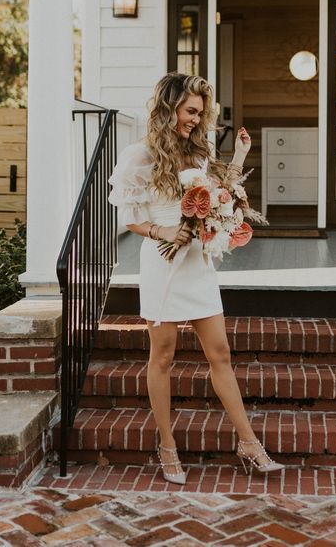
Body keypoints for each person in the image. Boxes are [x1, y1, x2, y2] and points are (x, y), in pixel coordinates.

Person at [108, 72, 283, 484]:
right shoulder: (140, 155)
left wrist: (240, 156)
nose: (194, 119)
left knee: (219, 353)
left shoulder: (198, 151)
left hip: (197, 264)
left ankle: (248, 443)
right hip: (162, 264)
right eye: (190, 111)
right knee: (163, 357)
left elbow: (218, 193)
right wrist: (164, 231)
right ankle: (167, 446)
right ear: (169, 106)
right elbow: (129, 217)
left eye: (200, 113)